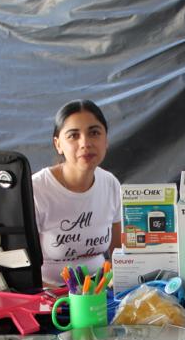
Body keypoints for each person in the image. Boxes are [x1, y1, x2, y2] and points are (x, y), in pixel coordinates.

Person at [32, 99, 122, 286]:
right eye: (73, 135)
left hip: (99, 290)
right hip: (50, 295)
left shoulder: (111, 184)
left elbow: (118, 255)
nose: (85, 143)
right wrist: (70, 298)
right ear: (58, 144)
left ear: (106, 140)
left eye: (94, 133)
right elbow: (21, 267)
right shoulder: (37, 189)